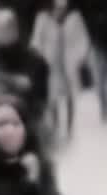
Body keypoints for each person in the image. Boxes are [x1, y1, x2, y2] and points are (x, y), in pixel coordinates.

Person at [0, 7, 52, 129]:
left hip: (25, 121)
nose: (6, 32)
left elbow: (40, 97)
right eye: (2, 29)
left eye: (9, 27)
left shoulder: (34, 60)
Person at [30, 0, 91, 141]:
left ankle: (69, 129)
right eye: (58, 7)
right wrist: (40, 57)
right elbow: (36, 41)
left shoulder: (75, 18)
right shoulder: (43, 19)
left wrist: (81, 56)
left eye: (64, 7)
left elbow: (83, 39)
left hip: (69, 65)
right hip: (51, 65)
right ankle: (56, 127)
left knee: (70, 97)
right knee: (53, 98)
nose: (61, 10)